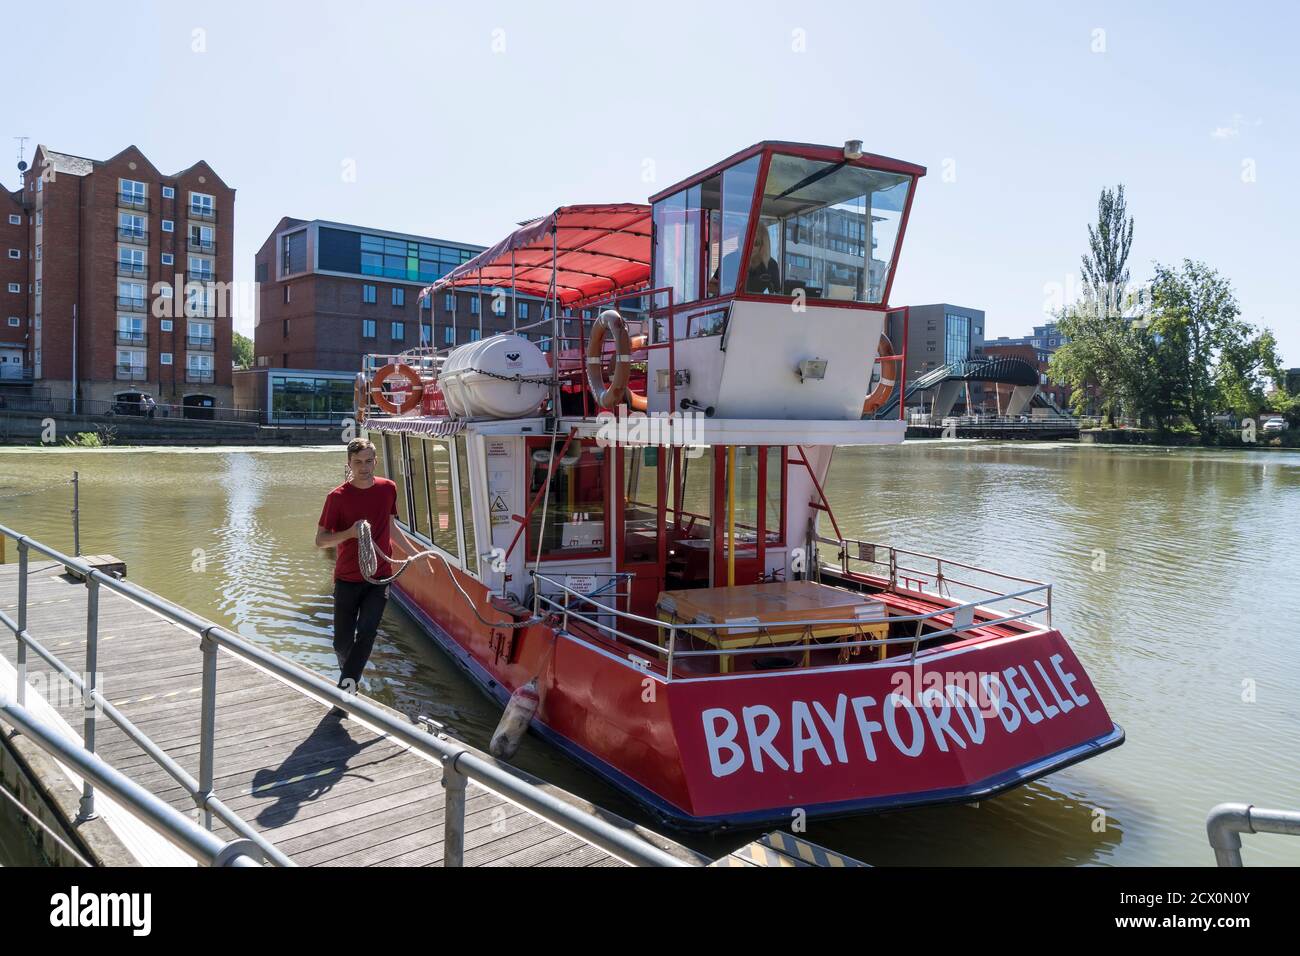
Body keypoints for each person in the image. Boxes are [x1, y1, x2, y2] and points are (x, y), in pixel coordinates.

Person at [315, 437, 399, 715]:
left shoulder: (389, 489)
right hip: (348, 578)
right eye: (358, 462)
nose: (364, 467)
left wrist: (400, 558)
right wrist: (350, 533)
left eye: (369, 461)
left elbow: (390, 526)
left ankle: (346, 691)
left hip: (379, 577)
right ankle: (350, 679)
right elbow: (321, 540)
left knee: (367, 632)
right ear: (349, 464)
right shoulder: (336, 497)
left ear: (376, 461)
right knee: (341, 642)